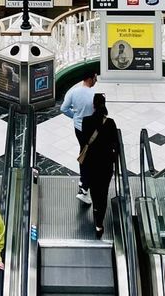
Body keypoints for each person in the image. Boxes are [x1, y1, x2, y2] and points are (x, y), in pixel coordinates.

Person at [79, 93, 119, 238]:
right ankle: (99, 223)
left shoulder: (86, 121)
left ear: (93, 105)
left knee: (95, 192)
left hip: (91, 163)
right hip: (106, 164)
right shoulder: (111, 123)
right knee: (103, 193)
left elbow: (84, 142)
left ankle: (96, 212)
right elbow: (116, 143)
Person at [60, 69, 98, 203]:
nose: (96, 79)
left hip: (78, 128)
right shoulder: (95, 94)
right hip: (91, 130)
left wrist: (75, 116)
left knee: (84, 152)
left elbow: (63, 109)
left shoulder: (73, 92)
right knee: (89, 157)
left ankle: (83, 182)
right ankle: (84, 189)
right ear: (90, 78)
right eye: (95, 77)